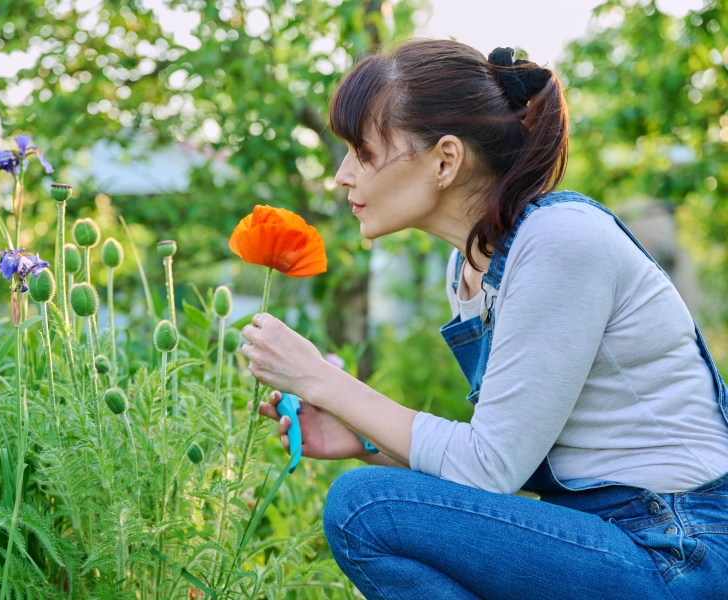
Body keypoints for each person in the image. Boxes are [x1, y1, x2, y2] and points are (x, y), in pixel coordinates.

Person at [240, 39, 728, 599]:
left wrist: (318, 377)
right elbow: (504, 458)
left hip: (680, 547)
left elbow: (488, 468)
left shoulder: (559, 241)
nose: (342, 176)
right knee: (371, 502)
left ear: (446, 159)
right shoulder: (471, 269)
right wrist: (364, 439)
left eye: (362, 150)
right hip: (608, 535)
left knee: (366, 507)